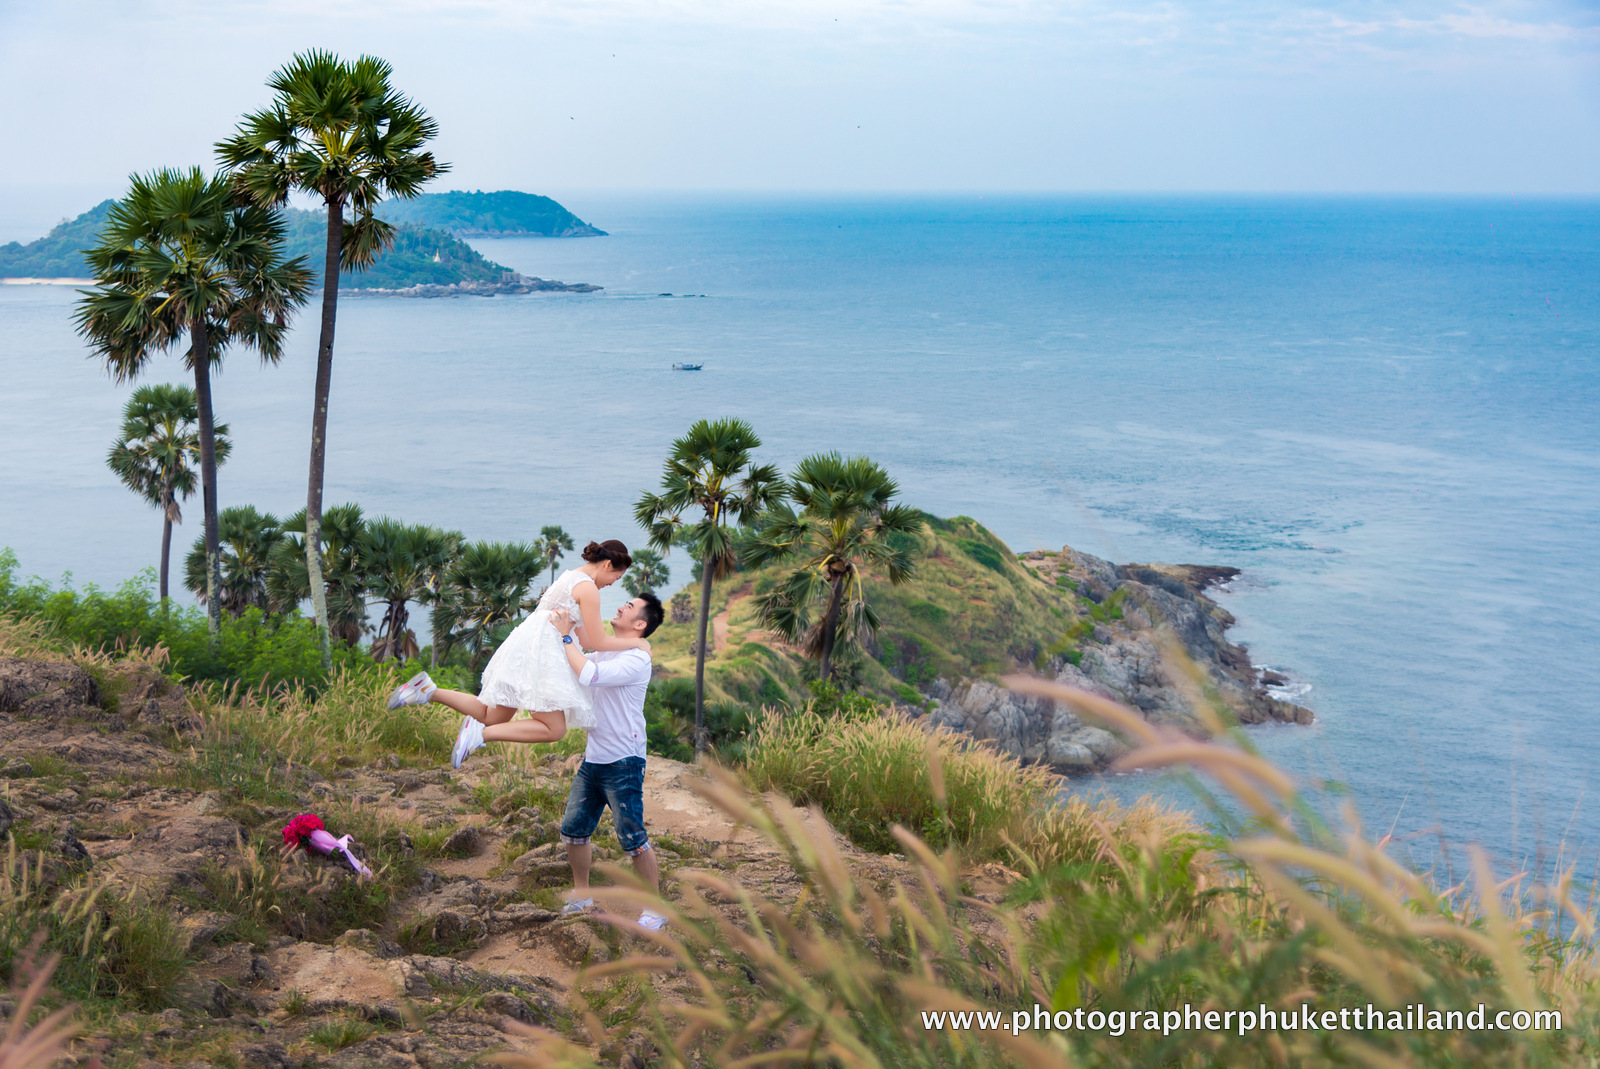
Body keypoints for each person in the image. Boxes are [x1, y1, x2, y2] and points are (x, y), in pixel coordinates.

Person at [386, 539, 647, 766]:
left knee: (492, 715)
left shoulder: (570, 576)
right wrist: (636, 644)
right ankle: (480, 736)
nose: (614, 584)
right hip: (543, 654)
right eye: (617, 577)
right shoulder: (588, 588)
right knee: (554, 729)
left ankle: (427, 690)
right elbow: (599, 641)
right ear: (607, 565)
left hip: (526, 644)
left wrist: (614, 646)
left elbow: (587, 640)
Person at [548, 594, 667, 930]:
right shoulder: (615, 647)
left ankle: (655, 909)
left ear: (640, 624)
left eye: (628, 607)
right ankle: (582, 895)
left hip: (624, 761)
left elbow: (589, 674)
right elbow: (586, 638)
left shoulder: (636, 660)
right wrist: (570, 610)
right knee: (574, 831)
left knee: (632, 837)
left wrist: (565, 636)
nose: (621, 607)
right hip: (595, 757)